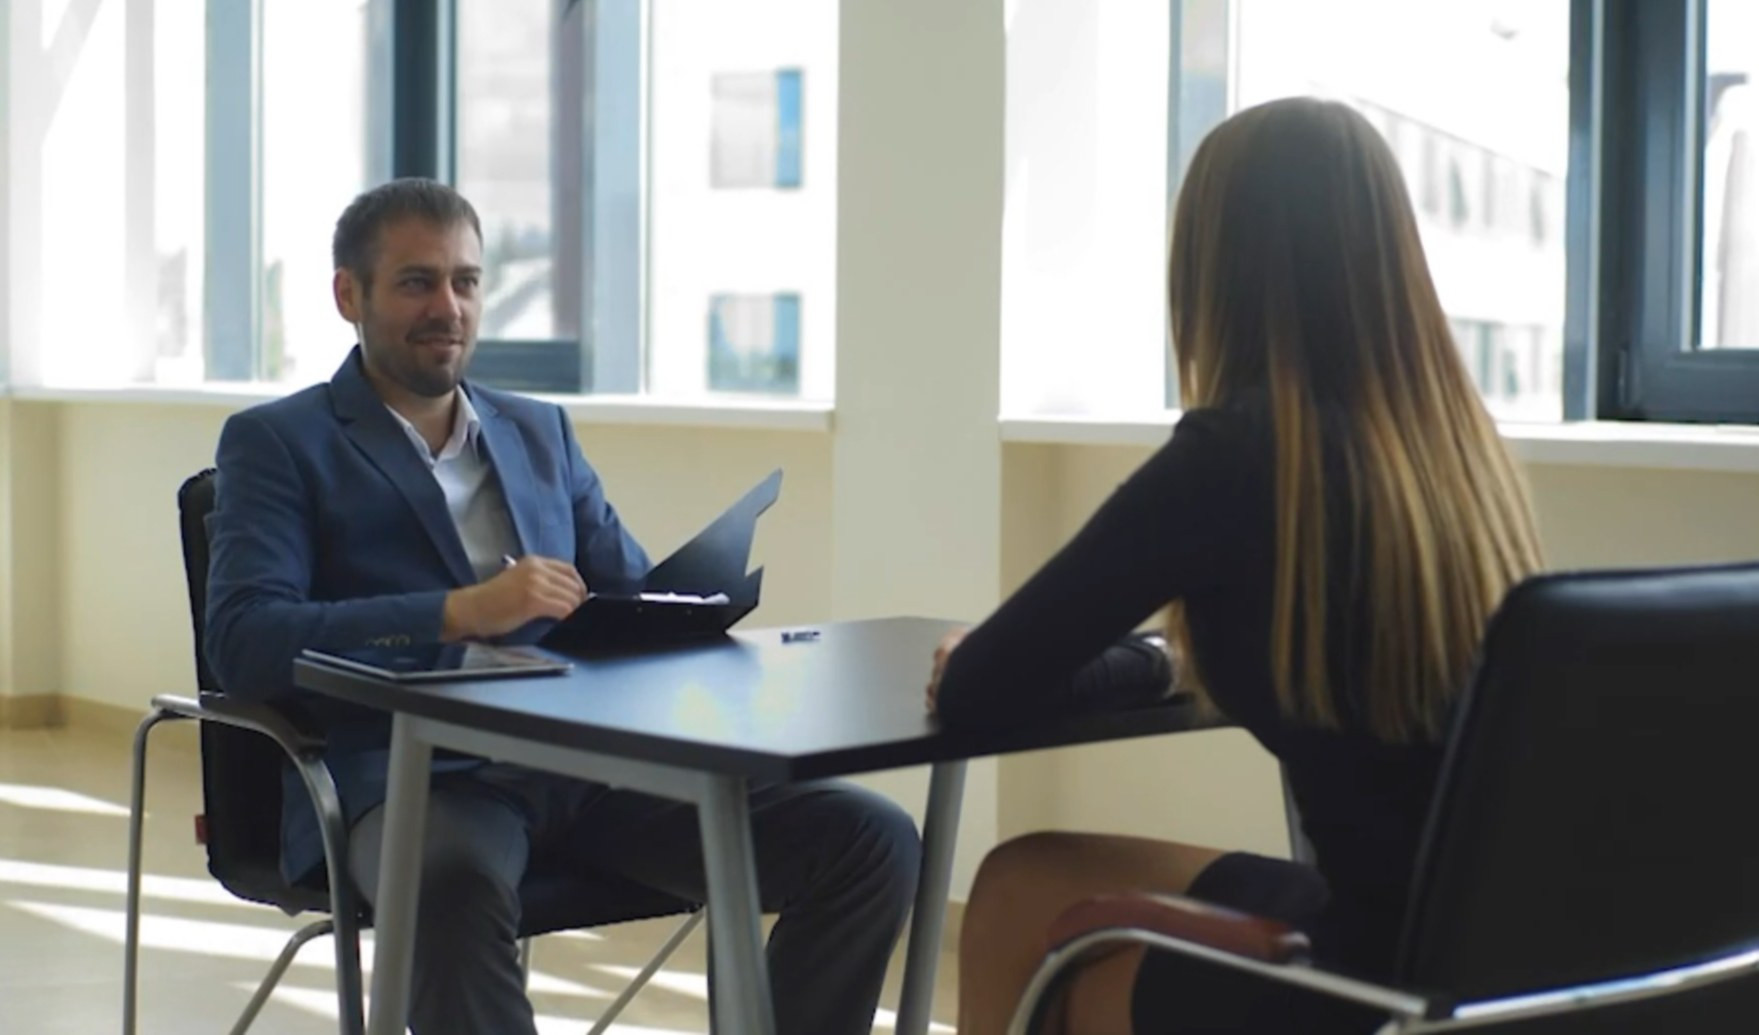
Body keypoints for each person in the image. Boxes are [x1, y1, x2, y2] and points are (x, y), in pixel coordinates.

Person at [204, 178, 920, 1035]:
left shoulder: (539, 430)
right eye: (416, 282)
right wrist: (458, 611)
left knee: (869, 838)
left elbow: (627, 597)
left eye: (466, 281)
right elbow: (246, 640)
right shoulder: (280, 441)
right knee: (450, 882)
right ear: (347, 294)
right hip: (414, 778)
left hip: (590, 766)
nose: (449, 306)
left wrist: (691, 610)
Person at [929, 97, 1545, 1034]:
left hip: (1372, 986)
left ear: (1214, 272)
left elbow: (980, 686)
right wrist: (1165, 657)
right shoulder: (1455, 460)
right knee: (1020, 881)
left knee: (1043, 955)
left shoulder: (1237, 455)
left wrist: (1126, 659)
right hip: (1509, 957)